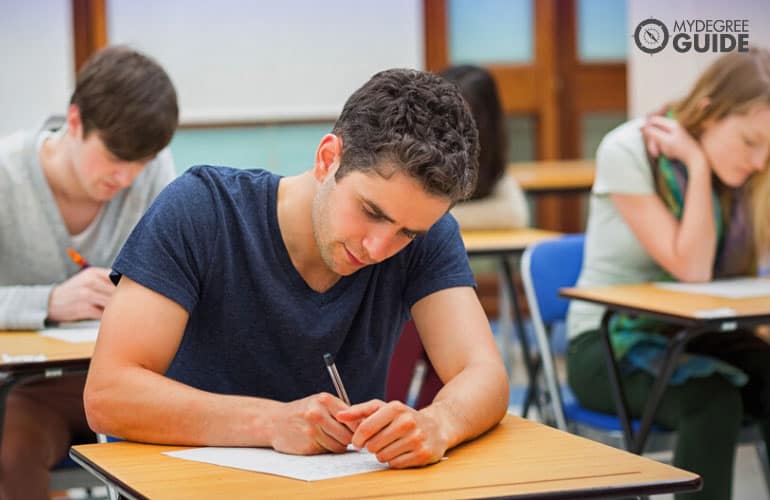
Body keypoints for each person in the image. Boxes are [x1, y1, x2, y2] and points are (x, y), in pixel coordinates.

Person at [83, 68, 509, 468]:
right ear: (328, 159)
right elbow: (108, 394)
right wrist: (269, 423)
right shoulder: (201, 210)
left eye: (407, 233)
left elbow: (484, 374)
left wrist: (438, 423)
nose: (379, 247)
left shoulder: (427, 237)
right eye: (370, 211)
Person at [566, 48, 770, 500]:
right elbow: (693, 269)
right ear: (708, 112)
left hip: (692, 334)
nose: (758, 162)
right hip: (607, 346)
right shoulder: (630, 150)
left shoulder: (747, 178)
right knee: (714, 401)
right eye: (750, 142)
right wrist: (696, 166)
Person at [0, 46, 178, 499]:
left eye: (141, 163)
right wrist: (48, 302)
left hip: (136, 376)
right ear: (74, 122)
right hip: (31, 387)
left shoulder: (153, 171)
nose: (127, 177)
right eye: (116, 156)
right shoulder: (7, 175)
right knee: (17, 442)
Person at [441, 65, 529, 230]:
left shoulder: (488, 160)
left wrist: (432, 219)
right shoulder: (417, 152)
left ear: (484, 121)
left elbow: (515, 214)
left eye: (463, 117)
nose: (451, 127)